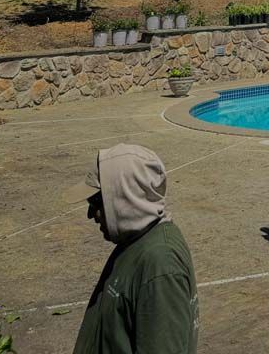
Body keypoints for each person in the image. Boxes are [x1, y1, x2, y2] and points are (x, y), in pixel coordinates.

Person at [66, 143, 199, 354]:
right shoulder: (135, 241)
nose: (91, 214)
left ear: (125, 196)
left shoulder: (161, 265)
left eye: (96, 202)